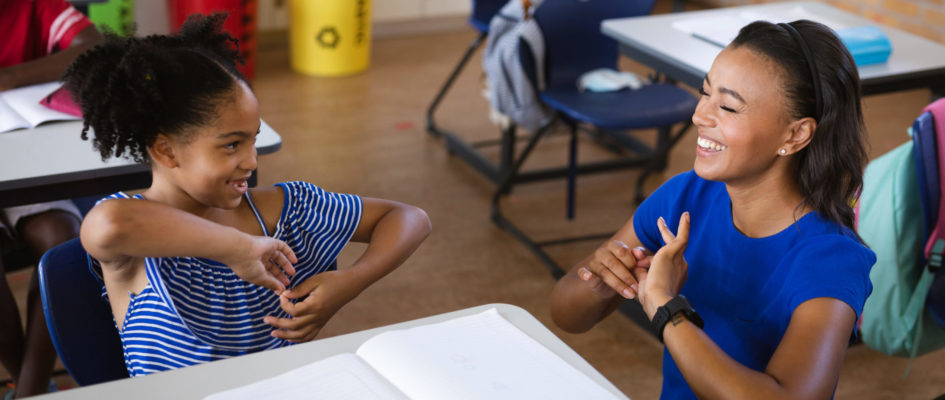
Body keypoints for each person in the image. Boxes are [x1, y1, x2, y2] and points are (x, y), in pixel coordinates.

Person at [61, 13, 431, 377]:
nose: (251, 161)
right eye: (231, 145)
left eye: (253, 139)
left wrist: (350, 282)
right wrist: (236, 248)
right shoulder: (133, 239)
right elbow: (108, 224)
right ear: (167, 151)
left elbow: (410, 218)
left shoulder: (288, 210)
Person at [550, 20, 875, 400]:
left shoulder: (831, 259)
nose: (699, 115)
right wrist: (602, 285)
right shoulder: (686, 196)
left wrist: (666, 308)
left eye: (727, 106)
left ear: (795, 134)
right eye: (705, 93)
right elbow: (564, 312)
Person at [0, 0, 102, 397]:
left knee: (62, 238)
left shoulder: (34, 6)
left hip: (27, 162)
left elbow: (94, 48)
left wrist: (8, 77)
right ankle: (33, 385)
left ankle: (28, 390)